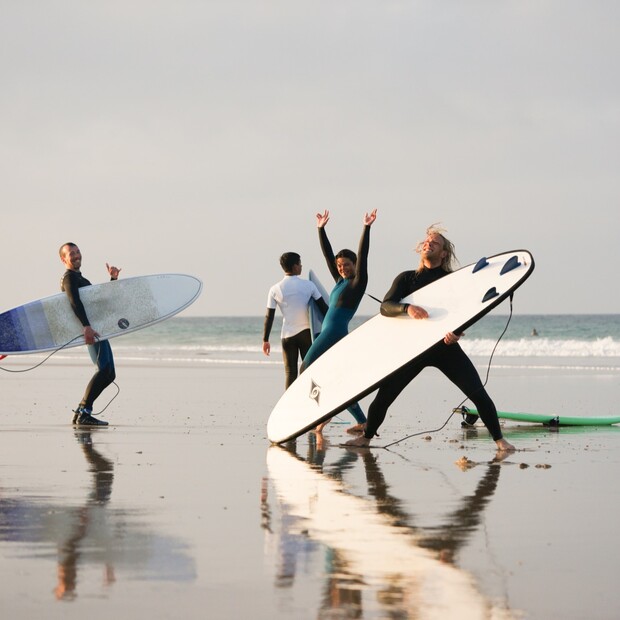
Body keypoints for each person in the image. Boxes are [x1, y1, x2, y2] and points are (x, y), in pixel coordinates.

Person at [345, 224, 515, 453]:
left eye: (434, 243)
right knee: (384, 397)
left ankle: (500, 441)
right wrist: (408, 309)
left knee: (478, 394)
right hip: (412, 349)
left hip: (444, 348)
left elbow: (465, 311)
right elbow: (386, 307)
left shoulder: (453, 281)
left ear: (444, 253)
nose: (428, 244)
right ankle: (366, 438)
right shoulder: (406, 278)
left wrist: (458, 331)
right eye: (426, 242)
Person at [301, 209, 378, 434]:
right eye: (339, 265)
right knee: (336, 379)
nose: (342, 268)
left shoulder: (357, 283)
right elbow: (328, 255)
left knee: (306, 367)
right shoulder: (339, 281)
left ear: (354, 264)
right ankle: (361, 420)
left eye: (346, 264)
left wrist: (366, 227)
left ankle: (317, 411)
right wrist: (320, 229)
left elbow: (363, 255)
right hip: (328, 333)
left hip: (333, 333)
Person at [59, 242, 120, 427]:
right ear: (64, 259)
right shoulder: (69, 278)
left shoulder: (79, 278)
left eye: (77, 251)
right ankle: (84, 412)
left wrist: (113, 280)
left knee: (109, 374)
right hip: (89, 329)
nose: (76, 255)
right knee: (103, 370)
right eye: (71, 253)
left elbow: (98, 304)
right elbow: (74, 302)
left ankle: (81, 411)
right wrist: (86, 327)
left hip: (97, 329)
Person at [262, 252, 328, 389]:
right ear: (294, 266)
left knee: (290, 373)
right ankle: (312, 400)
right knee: (310, 370)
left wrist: (265, 339)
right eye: (299, 263)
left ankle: (289, 404)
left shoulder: (274, 289)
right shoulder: (309, 285)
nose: (301, 266)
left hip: (287, 335)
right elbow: (324, 309)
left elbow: (269, 316)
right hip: (305, 333)